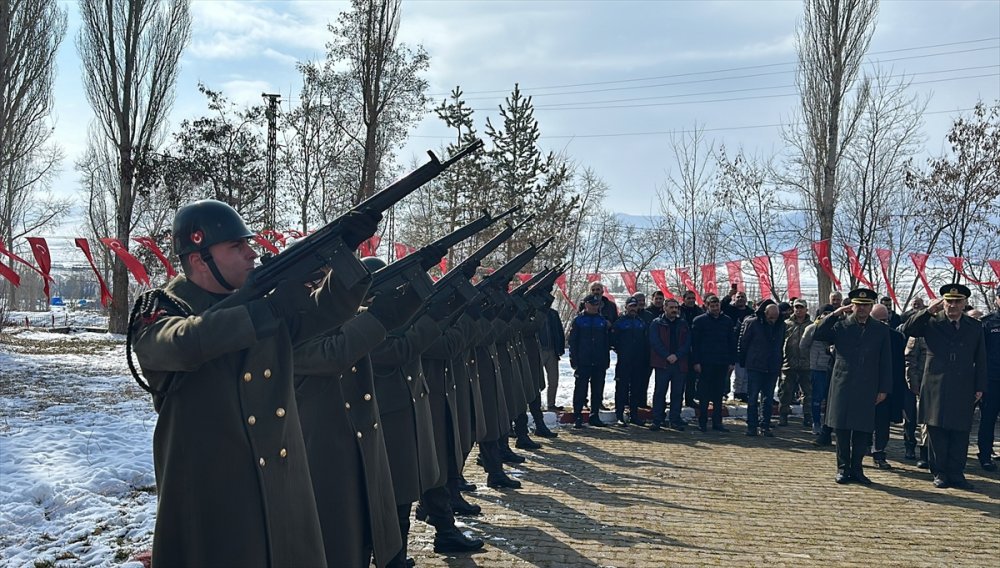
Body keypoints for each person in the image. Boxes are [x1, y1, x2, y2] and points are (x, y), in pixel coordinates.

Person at [129, 199, 378, 566]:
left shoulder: (259, 305)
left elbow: (326, 313)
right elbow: (183, 344)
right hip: (212, 493)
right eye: (237, 246)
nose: (251, 254)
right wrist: (266, 306)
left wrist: (345, 252)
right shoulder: (163, 307)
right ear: (199, 259)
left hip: (278, 482)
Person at [902, 284, 987, 490]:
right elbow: (908, 329)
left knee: (960, 431)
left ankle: (957, 473)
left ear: (964, 303)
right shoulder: (931, 322)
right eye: (949, 301)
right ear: (943, 302)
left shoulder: (974, 326)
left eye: (958, 302)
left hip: (963, 384)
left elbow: (981, 358)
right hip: (935, 384)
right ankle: (940, 472)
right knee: (936, 430)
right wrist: (929, 310)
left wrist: (980, 386)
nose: (953, 305)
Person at [814, 288, 891, 485]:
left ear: (871, 306)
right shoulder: (841, 325)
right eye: (858, 305)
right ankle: (842, 468)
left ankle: (857, 469)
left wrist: (883, 388)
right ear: (852, 305)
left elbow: (886, 361)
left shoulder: (880, 329)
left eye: (866, 305)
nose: (862, 308)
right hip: (843, 383)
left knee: (862, 429)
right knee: (841, 429)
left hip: (868, 384)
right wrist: (835, 313)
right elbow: (819, 333)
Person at [738, 300, 786, 437]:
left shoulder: (780, 325)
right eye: (770, 317)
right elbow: (743, 343)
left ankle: (765, 425)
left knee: (768, 398)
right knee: (752, 397)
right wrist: (743, 361)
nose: (773, 320)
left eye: (775, 318)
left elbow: (781, 344)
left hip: (772, 366)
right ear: (765, 314)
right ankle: (752, 426)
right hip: (755, 365)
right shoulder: (752, 323)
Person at [869, 303, 908, 470]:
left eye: (886, 320)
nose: (883, 324)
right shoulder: (861, 335)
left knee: (882, 423)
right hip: (863, 386)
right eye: (879, 320)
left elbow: (899, 366)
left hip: (886, 388)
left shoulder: (897, 338)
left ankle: (879, 452)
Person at [690, 295, 736, 432]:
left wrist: (732, 361)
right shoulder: (699, 321)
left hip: (721, 363)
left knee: (718, 394)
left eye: (717, 306)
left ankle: (717, 422)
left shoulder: (727, 321)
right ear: (707, 306)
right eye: (712, 306)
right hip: (705, 363)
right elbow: (694, 344)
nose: (715, 308)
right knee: (703, 395)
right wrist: (696, 361)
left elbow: (731, 342)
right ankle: (702, 422)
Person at [568, 294, 612, 428]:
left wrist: (606, 360)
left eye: (597, 304)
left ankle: (595, 415)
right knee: (581, 390)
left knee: (597, 390)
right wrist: (573, 359)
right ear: (586, 304)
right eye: (592, 304)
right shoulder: (579, 320)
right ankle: (578, 416)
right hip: (583, 360)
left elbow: (606, 342)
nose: (594, 307)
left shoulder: (602, 321)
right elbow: (572, 342)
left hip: (599, 360)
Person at [648, 298, 691, 431]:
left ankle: (675, 419)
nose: (674, 310)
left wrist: (677, 355)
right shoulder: (657, 323)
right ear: (665, 308)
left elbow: (687, 342)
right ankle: (657, 419)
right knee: (660, 392)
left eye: (676, 308)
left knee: (677, 393)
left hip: (679, 363)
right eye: (671, 307)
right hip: (663, 363)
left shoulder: (683, 324)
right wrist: (667, 355)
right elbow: (654, 341)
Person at [611, 296, 650, 426]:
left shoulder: (641, 322)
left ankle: (634, 415)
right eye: (631, 306)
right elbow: (613, 341)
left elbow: (645, 341)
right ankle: (619, 415)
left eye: (635, 306)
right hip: (624, 361)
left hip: (638, 361)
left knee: (635, 389)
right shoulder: (620, 322)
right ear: (626, 307)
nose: (633, 308)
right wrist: (621, 351)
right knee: (621, 389)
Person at [800, 305, 835, 437]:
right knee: (817, 397)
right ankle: (816, 422)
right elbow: (803, 346)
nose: (826, 316)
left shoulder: (837, 328)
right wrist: (813, 358)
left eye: (829, 313)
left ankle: (829, 424)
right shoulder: (812, 328)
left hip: (832, 367)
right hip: (816, 367)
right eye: (824, 313)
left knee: (830, 398)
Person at [778, 299, 812, 428]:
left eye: (801, 307)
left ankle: (808, 417)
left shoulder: (811, 325)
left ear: (806, 309)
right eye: (796, 307)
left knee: (808, 393)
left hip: (806, 364)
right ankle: (783, 416)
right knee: (785, 392)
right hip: (788, 364)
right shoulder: (786, 324)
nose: (799, 310)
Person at [977, 295, 1000, 471]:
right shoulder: (987, 323)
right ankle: (985, 456)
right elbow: (979, 355)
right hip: (992, 381)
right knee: (988, 420)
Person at [721, 285, 753, 401]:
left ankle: (741, 392)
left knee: (742, 373)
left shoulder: (750, 312)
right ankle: (724, 392)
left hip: (744, 346)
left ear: (746, 299)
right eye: (738, 297)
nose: (740, 299)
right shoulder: (729, 309)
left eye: (742, 297)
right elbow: (721, 306)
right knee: (727, 371)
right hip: (729, 344)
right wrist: (729, 295)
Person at [679, 290, 705, 408]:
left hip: (695, 346)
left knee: (692, 376)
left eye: (692, 298)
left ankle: (690, 399)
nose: (691, 300)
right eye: (688, 298)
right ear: (683, 299)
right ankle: (677, 400)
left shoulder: (699, 312)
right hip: (680, 346)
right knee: (679, 377)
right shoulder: (679, 311)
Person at [539, 305, 566, 412]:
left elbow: (559, 331)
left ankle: (551, 404)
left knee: (553, 380)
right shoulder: (532, 312)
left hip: (552, 351)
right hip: (538, 351)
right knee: (537, 381)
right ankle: (535, 405)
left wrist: (560, 347)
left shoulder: (553, 314)